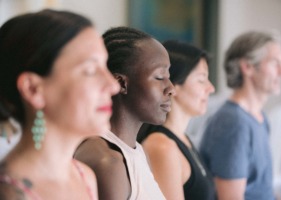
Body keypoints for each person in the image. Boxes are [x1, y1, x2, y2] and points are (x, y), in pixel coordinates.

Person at [0, 9, 119, 199]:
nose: (113, 86)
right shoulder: (10, 193)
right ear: (33, 89)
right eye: (89, 70)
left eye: (105, 66)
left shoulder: (84, 176)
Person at [74, 26, 175, 200]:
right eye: (159, 77)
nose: (171, 88)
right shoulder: (108, 162)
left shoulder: (136, 152)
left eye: (169, 76)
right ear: (121, 83)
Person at [200, 30, 281, 200]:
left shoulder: (259, 117)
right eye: (275, 63)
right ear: (247, 67)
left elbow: (261, 189)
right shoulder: (234, 123)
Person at [137, 40, 216, 200]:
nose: (211, 88)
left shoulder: (183, 139)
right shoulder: (161, 146)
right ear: (173, 86)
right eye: (201, 80)